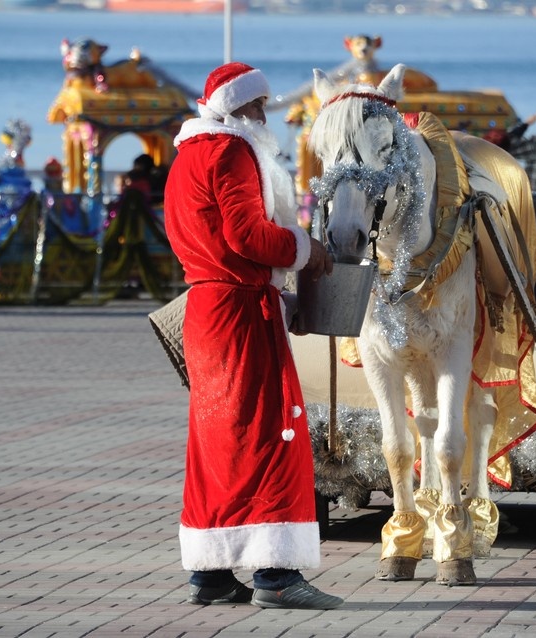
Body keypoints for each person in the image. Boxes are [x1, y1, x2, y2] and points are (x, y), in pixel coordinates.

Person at [163, 62, 341, 610]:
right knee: (272, 436)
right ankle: (277, 574)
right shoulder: (231, 150)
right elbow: (247, 235)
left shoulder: (186, 156)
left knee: (217, 441)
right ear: (237, 110)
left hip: (208, 307)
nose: (266, 116)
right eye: (259, 106)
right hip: (241, 313)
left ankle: (211, 574)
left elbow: (200, 237)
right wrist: (307, 252)